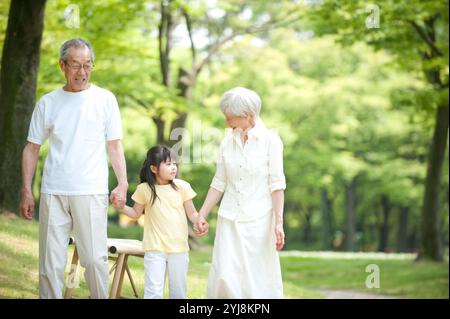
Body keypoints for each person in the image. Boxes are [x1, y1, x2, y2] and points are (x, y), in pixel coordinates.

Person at [20, 38, 128, 299]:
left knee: (94, 259)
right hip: (53, 190)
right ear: (62, 65)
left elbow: (114, 146)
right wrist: (26, 190)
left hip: (90, 191)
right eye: (76, 65)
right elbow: (31, 149)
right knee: (50, 263)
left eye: (87, 65)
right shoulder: (48, 102)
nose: (82, 72)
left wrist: (123, 183)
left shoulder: (105, 99)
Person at [194, 87, 286, 299]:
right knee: (225, 276)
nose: (226, 122)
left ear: (248, 116)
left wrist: (279, 223)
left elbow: (277, 184)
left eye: (230, 118)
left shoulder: (271, 141)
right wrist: (202, 214)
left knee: (257, 277)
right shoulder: (227, 141)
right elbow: (219, 182)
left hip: (259, 220)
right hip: (229, 217)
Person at [112, 145, 207, 299]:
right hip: (154, 248)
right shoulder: (144, 189)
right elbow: (136, 213)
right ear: (154, 168)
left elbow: (192, 213)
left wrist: (200, 221)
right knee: (153, 291)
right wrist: (121, 207)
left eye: (174, 164)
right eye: (168, 164)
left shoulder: (182, 187)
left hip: (179, 248)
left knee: (178, 292)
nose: (173, 168)